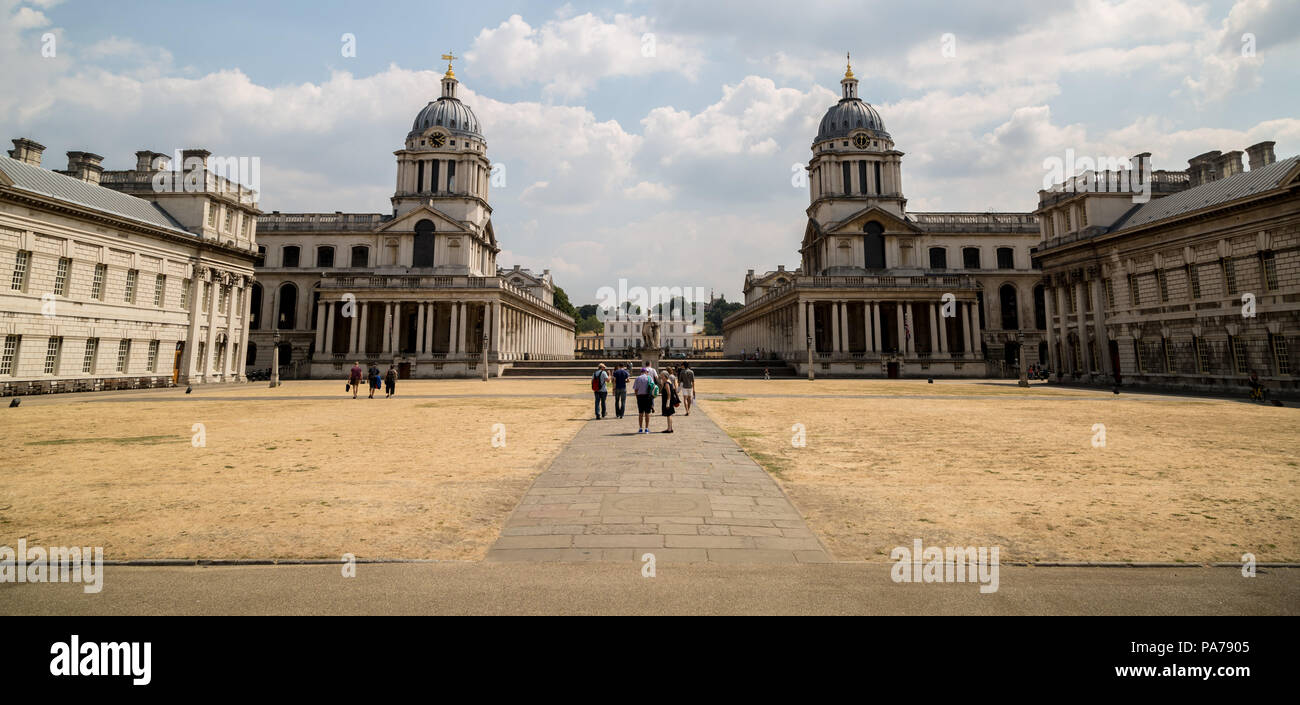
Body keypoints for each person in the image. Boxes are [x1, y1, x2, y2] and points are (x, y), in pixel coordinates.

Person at [633, 366, 655, 433]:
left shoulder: (637, 378)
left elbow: (636, 389)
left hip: (640, 397)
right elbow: (653, 387)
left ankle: (640, 428)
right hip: (647, 397)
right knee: (647, 413)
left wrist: (637, 397)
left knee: (640, 413)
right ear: (646, 372)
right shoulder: (649, 378)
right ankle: (647, 428)